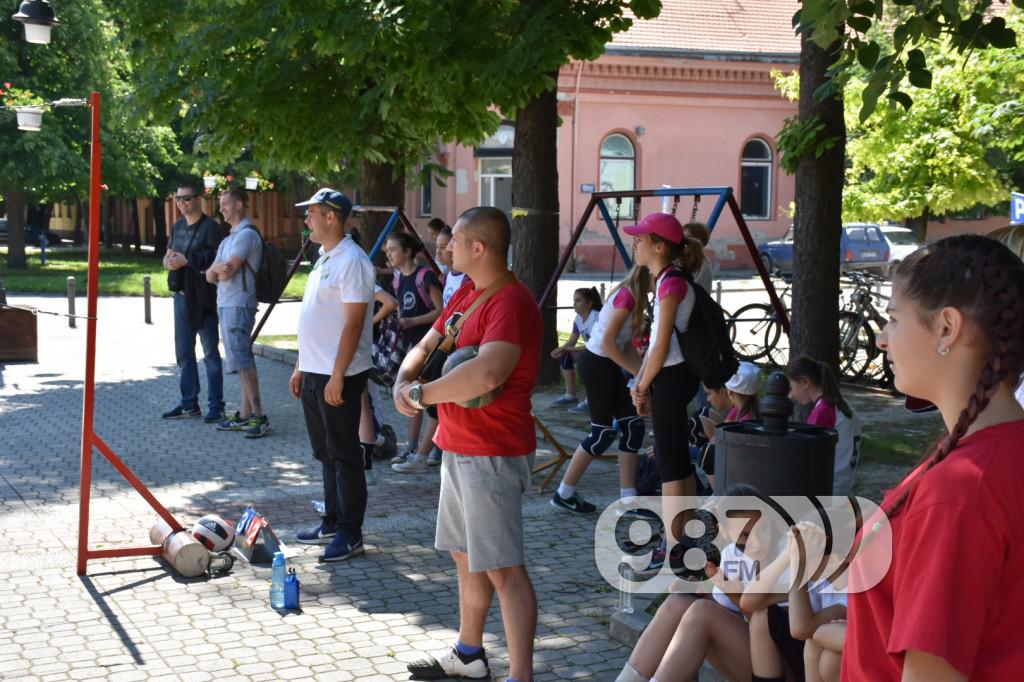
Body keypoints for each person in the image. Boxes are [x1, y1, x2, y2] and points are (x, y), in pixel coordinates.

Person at [844, 234, 1024, 681]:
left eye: (893, 319)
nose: (883, 339)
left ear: (946, 327)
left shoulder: (960, 491)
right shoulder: (989, 456)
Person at [393, 206, 540, 682]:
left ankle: (521, 675)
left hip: (492, 452)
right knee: (466, 555)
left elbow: (489, 371)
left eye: (454, 239)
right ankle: (469, 654)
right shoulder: (468, 294)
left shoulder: (510, 302)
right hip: (459, 445)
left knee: (504, 569)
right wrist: (404, 378)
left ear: (479, 248)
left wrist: (420, 395)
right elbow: (428, 344)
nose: (446, 246)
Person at [616, 484, 789, 682]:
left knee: (702, 612)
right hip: (753, 654)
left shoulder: (787, 555)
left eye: (764, 528)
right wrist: (701, 593)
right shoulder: (732, 555)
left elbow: (782, 633)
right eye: (744, 535)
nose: (758, 542)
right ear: (723, 531)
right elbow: (728, 617)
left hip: (784, 665)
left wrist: (737, 598)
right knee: (681, 602)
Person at [290, 188, 375, 561]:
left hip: (337, 374)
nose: (305, 219)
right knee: (326, 454)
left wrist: (338, 375)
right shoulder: (324, 258)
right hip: (315, 371)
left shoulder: (352, 261)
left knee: (344, 456)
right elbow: (314, 320)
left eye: (311, 213)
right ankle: (331, 520)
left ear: (331, 217)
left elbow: (354, 323)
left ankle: (350, 532)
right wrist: (299, 365)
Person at [626, 212, 701, 557]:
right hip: (670, 376)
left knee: (670, 465)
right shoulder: (669, 279)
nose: (635, 244)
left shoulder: (671, 282)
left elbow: (660, 345)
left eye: (641, 239)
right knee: (679, 462)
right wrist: (640, 381)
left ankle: (673, 547)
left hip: (671, 376)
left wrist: (641, 384)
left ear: (658, 246)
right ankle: (685, 538)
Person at [550, 266, 648, 513]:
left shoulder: (636, 296)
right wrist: (641, 375)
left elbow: (623, 346)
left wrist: (645, 375)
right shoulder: (627, 296)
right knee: (602, 434)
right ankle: (564, 494)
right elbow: (607, 343)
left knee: (633, 427)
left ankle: (629, 500)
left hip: (607, 364)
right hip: (596, 364)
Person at [205, 189, 270, 438]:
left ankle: (258, 415)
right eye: (220, 204)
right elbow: (211, 275)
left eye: (225, 204)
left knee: (242, 359)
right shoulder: (227, 239)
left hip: (239, 303)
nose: (221, 208)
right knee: (239, 359)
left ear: (239, 205)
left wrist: (217, 270)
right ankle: (245, 415)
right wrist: (215, 270)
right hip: (226, 303)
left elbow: (226, 272)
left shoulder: (246, 236)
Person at [161, 181, 227, 422]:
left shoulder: (211, 228)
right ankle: (189, 403)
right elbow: (169, 255)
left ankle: (216, 405)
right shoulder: (177, 227)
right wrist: (167, 262)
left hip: (204, 297)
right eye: (178, 199)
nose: (182, 203)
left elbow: (216, 258)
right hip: (180, 297)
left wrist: (187, 260)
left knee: (210, 352)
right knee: (183, 353)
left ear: (199, 199)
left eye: (187, 198)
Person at [384, 231, 443, 469]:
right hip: (411, 347)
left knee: (432, 401)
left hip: (432, 348)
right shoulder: (397, 279)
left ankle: (433, 448)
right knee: (412, 396)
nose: (389, 254)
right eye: (387, 250)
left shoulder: (425, 276)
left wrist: (414, 321)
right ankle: (411, 446)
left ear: (407, 251)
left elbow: (441, 311)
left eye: (393, 249)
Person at [786, 357, 861, 496]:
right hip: (843, 486)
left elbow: (808, 458)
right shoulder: (840, 405)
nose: (790, 395)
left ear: (805, 382)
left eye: (791, 388)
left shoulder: (824, 412)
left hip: (830, 490)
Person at [695, 362, 761, 491]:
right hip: (745, 468)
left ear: (729, 391)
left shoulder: (744, 418)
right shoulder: (744, 409)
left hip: (741, 474)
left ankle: (719, 497)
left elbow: (717, 439)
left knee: (707, 453)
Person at [550, 287, 602, 413]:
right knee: (566, 355)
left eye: (578, 301)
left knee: (587, 361)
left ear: (589, 304)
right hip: (591, 350)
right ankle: (570, 395)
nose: (574, 304)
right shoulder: (578, 319)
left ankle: (590, 401)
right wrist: (561, 349)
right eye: (574, 301)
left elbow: (596, 343)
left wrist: (569, 348)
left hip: (603, 352)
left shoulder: (596, 318)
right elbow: (572, 340)